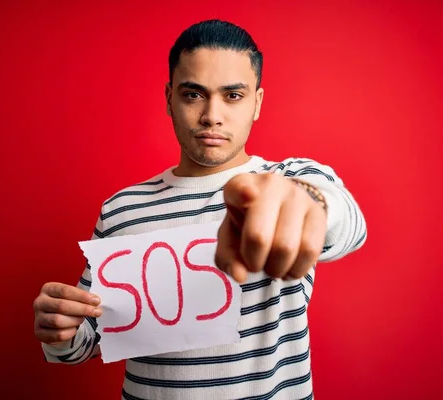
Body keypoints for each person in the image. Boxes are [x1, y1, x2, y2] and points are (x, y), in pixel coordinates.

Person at [33, 19, 367, 399]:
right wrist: (60, 330)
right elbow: (89, 340)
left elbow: (347, 224)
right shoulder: (121, 208)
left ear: (256, 102)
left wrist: (308, 202)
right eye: (193, 95)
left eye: (233, 96)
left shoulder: (288, 180)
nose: (212, 115)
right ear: (169, 97)